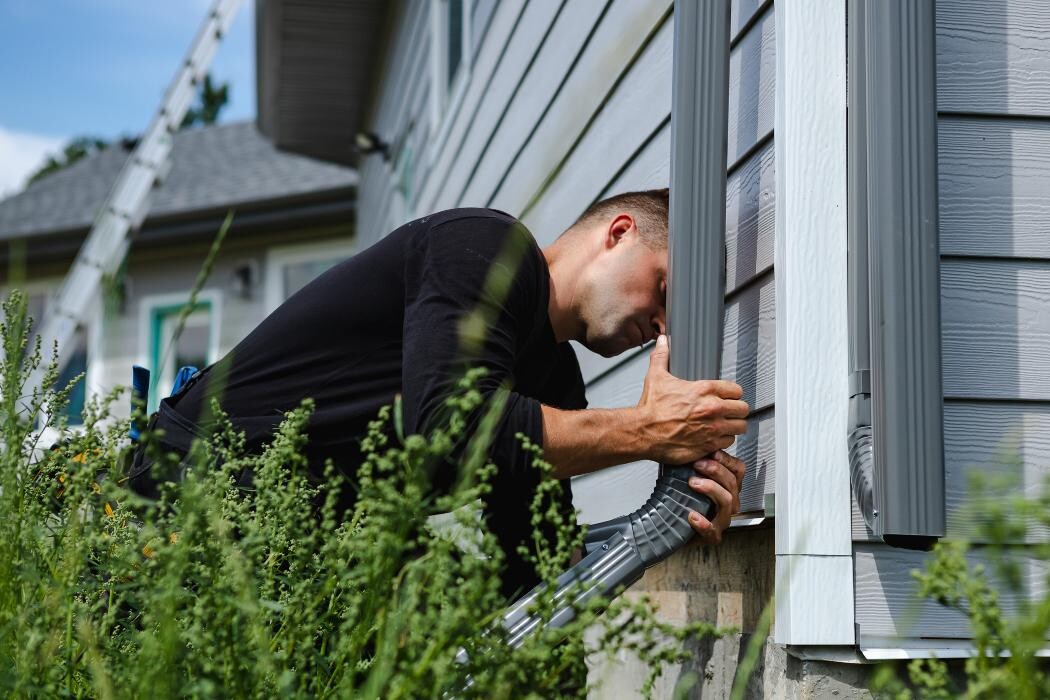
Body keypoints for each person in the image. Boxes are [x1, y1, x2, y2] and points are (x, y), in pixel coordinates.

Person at [129, 188, 749, 599]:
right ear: (619, 233)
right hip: (194, 494)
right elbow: (452, 425)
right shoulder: (484, 248)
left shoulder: (553, 380)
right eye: (664, 292)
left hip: (302, 545)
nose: (662, 327)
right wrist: (647, 431)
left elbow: (533, 564)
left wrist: (680, 515)